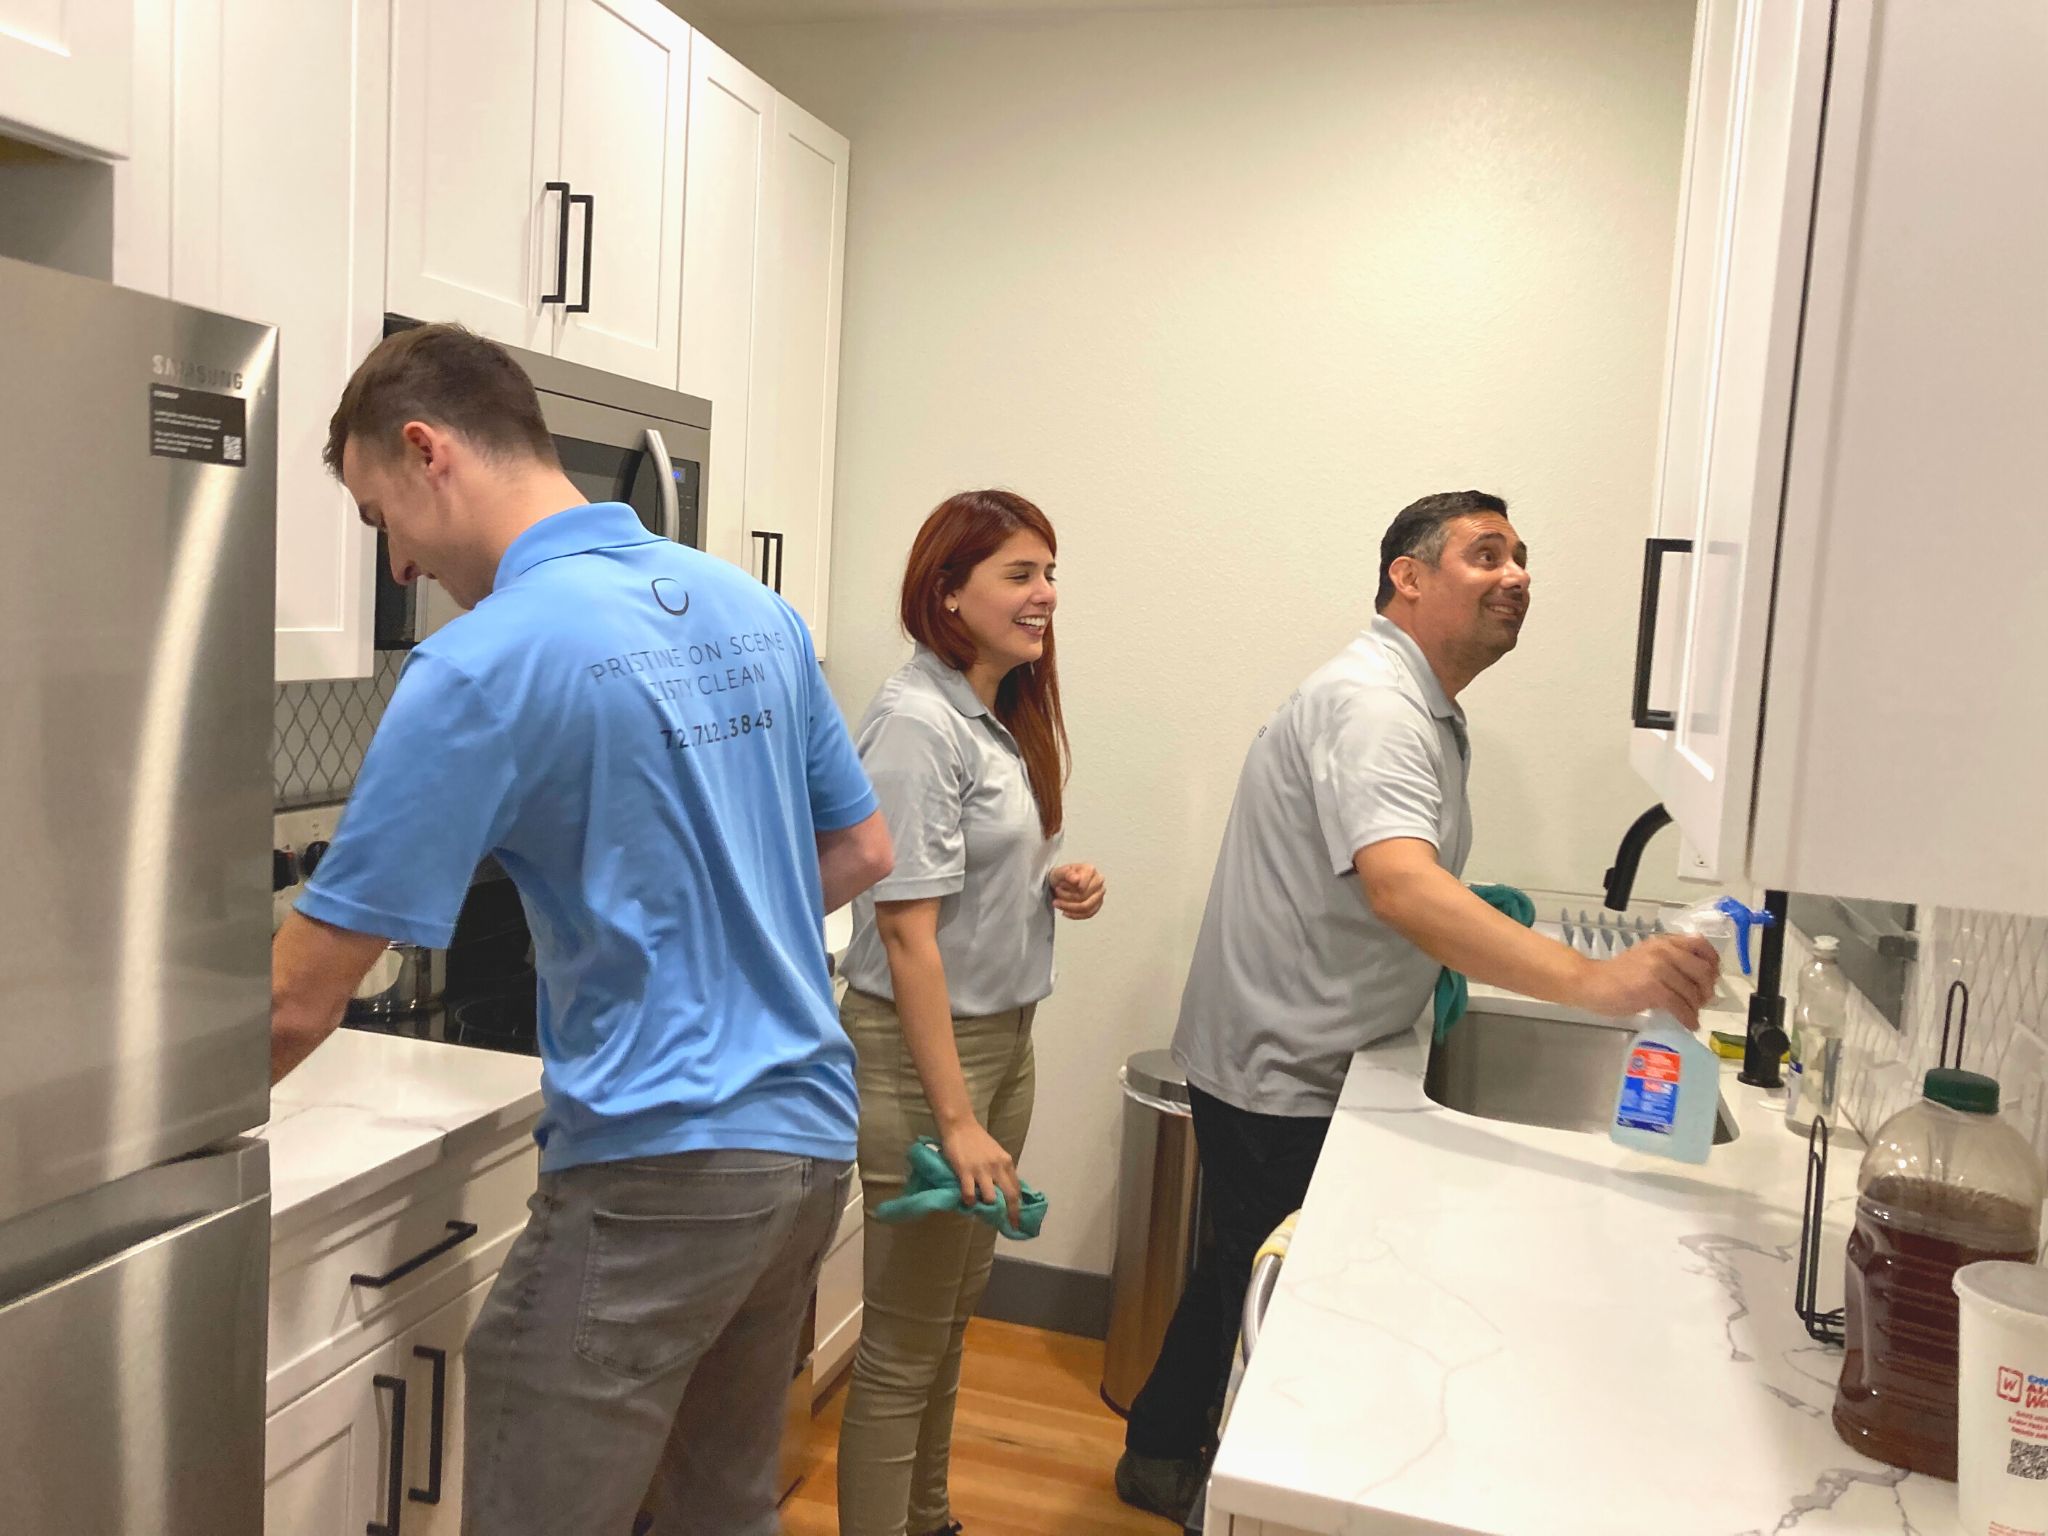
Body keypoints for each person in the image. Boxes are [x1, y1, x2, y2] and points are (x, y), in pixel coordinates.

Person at [268, 323, 894, 1536]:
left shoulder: (476, 666)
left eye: (374, 515)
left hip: (661, 1169)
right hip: (808, 1142)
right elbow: (862, 851)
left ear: (425, 449)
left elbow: (300, 999)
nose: (393, 562)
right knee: (717, 1510)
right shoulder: (751, 609)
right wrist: (700, 922)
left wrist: (133, 1155)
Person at [1114, 490, 1720, 1522]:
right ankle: (1219, 1484)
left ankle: (1165, 1453)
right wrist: (1594, 981)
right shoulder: (1376, 705)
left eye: (1522, 558)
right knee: (1280, 1301)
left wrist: (1476, 918)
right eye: (1486, 556)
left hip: (1294, 1044)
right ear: (1407, 574)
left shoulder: (1414, 703)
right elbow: (1398, 884)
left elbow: (1383, 874)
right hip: (1286, 1064)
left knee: (1236, 1270)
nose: (1516, 576)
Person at [834, 489, 1107, 1536]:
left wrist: (1054, 882)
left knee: (950, 1317)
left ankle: (929, 1518)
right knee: (903, 1341)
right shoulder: (915, 722)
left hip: (1003, 1042)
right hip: (922, 1066)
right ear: (947, 593)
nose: (1044, 595)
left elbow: (962, 888)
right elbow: (904, 937)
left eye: (1048, 573)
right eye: (1018, 574)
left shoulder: (998, 711)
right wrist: (952, 1120)